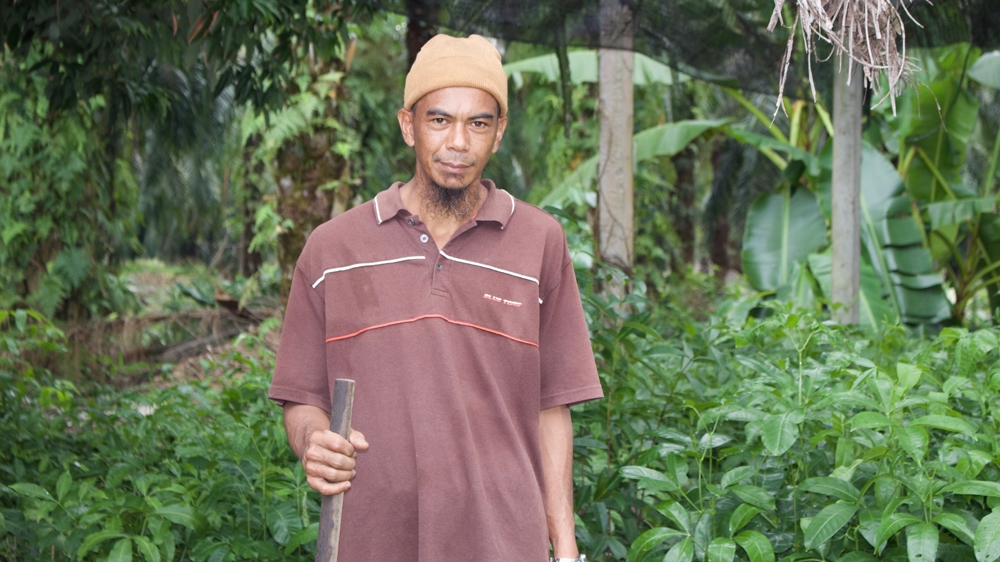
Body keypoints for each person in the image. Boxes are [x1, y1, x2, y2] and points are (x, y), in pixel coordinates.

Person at [268, 33, 602, 562]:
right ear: (409, 125)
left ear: (499, 134)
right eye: (440, 120)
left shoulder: (539, 242)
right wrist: (314, 442)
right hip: (370, 543)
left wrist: (564, 548)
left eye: (479, 123)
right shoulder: (332, 249)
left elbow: (551, 409)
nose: (458, 143)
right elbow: (301, 397)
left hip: (504, 544)